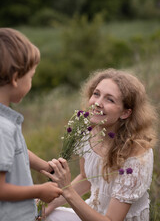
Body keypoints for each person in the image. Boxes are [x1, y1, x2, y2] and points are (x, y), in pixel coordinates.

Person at [42, 68, 157, 221]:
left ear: (125, 113)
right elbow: (85, 178)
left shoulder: (136, 156)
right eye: (96, 94)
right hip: (92, 211)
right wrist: (47, 206)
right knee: (39, 214)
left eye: (110, 99)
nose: (97, 103)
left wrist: (67, 190)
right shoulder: (89, 131)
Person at [0, 28, 62, 221]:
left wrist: (48, 167)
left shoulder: (5, 121)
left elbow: (15, 152)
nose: (31, 82)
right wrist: (40, 190)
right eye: (31, 76)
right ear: (16, 78)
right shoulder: (3, 127)